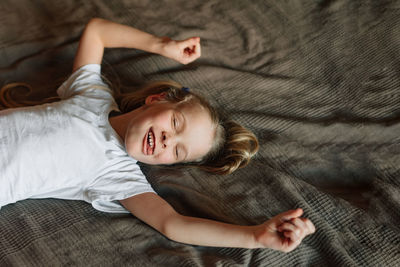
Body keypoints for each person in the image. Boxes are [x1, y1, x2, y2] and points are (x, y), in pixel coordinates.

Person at [0, 18, 315, 252]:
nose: (168, 140)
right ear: (157, 99)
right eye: (176, 125)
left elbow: (173, 224)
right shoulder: (91, 96)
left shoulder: (118, 176)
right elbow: (96, 31)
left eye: (177, 151)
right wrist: (162, 46)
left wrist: (255, 236)